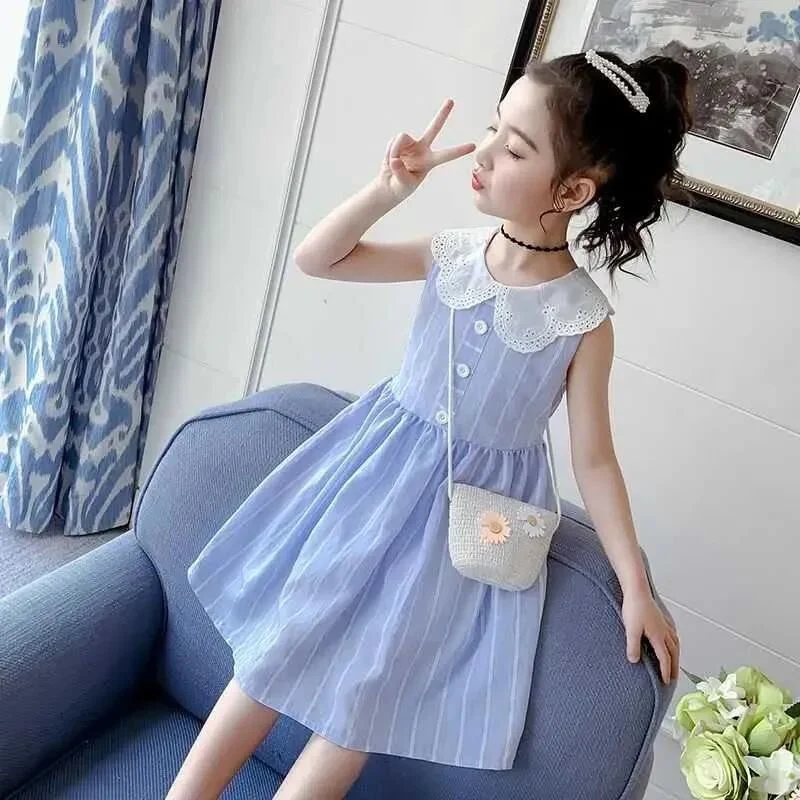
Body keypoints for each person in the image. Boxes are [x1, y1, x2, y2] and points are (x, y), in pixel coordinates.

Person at [167, 48, 692, 800]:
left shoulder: (583, 318)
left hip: (464, 534)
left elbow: (595, 460)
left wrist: (634, 585)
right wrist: (389, 189)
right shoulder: (453, 255)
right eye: (493, 127)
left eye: (515, 148)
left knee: (363, 704)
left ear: (574, 190)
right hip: (370, 483)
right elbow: (320, 259)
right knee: (277, 652)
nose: (484, 152)